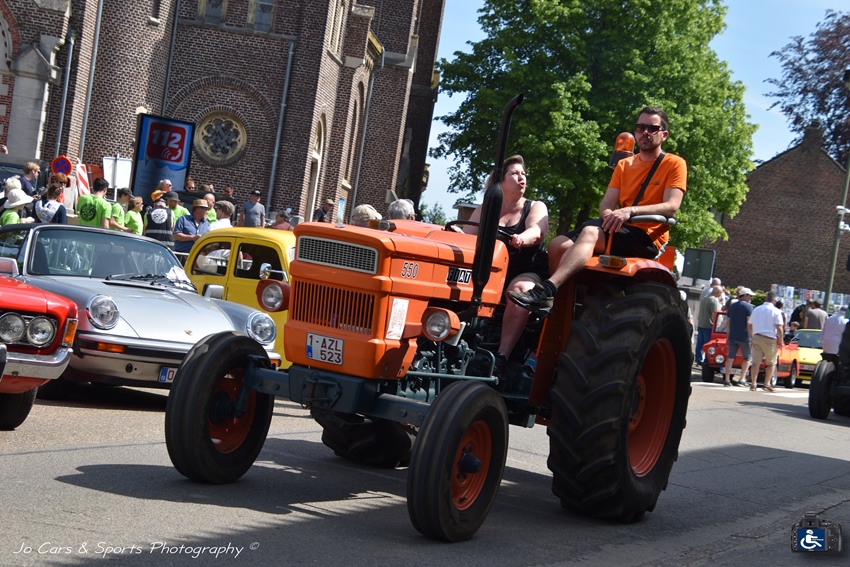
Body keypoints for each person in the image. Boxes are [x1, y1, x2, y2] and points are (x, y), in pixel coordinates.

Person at [509, 107, 686, 316]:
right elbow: (607, 203)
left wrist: (629, 211)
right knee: (557, 245)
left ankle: (546, 290)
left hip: (645, 234)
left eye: (652, 128)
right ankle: (558, 307)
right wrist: (609, 216)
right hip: (619, 227)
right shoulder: (624, 164)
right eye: (640, 127)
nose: (645, 132)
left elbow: (671, 206)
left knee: (590, 232)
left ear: (663, 135)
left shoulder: (674, 164)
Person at [463, 155, 548, 379]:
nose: (522, 178)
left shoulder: (535, 206)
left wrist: (523, 238)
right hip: (490, 272)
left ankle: (501, 357)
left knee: (519, 291)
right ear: (500, 180)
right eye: (515, 173)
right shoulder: (485, 209)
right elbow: (466, 238)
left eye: (523, 174)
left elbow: (537, 231)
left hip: (525, 270)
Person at [748, 291, 784, 392]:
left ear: (765, 299)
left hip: (757, 336)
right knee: (771, 362)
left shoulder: (756, 309)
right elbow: (779, 327)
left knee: (756, 362)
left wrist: (752, 335)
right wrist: (781, 340)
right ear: (775, 301)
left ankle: (753, 383)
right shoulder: (776, 311)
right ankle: (766, 383)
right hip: (769, 338)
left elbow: (749, 324)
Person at [723, 287, 754, 387]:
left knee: (730, 357)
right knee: (747, 358)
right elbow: (749, 323)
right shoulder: (749, 307)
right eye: (750, 296)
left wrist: (728, 334)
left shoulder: (732, 306)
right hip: (744, 336)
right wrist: (752, 336)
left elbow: (728, 321)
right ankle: (742, 379)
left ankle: (727, 379)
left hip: (733, 336)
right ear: (745, 295)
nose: (751, 298)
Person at [695, 285, 724, 367]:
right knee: (708, 344)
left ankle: (698, 359)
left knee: (700, 343)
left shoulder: (705, 298)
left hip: (701, 323)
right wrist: (718, 326)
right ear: (718, 292)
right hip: (709, 325)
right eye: (721, 292)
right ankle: (707, 360)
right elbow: (715, 314)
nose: (721, 294)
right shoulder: (714, 300)